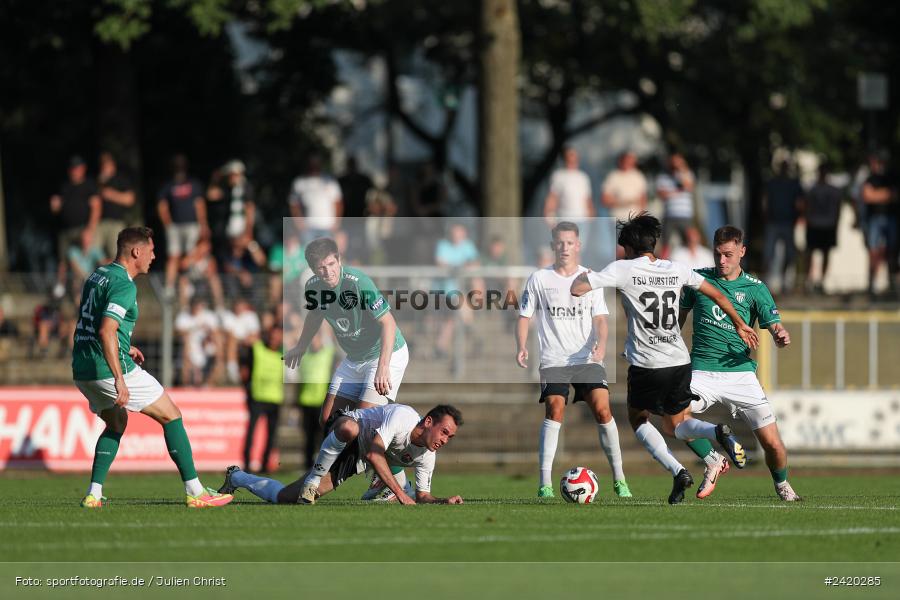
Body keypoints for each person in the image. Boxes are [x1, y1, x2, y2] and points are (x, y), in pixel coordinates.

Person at [571, 213, 759, 504]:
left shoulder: (623, 268)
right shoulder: (676, 269)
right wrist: (739, 323)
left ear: (629, 248)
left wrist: (588, 276)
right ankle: (714, 431)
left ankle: (679, 470)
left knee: (638, 418)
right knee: (675, 424)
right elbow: (718, 296)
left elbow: (577, 288)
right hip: (679, 361)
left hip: (647, 364)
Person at [72, 227, 232, 508]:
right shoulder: (124, 284)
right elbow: (106, 330)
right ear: (136, 252)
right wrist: (120, 379)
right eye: (151, 250)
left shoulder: (98, 274)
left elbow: (94, 322)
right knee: (171, 415)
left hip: (83, 369)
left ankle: (93, 494)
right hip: (109, 369)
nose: (154, 256)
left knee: (117, 423)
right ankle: (196, 491)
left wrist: (124, 346)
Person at [679, 225, 801, 501]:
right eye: (717, 254)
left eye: (728, 255)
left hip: (740, 375)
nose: (722, 261)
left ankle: (783, 486)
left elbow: (776, 327)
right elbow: (678, 319)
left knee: (774, 445)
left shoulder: (756, 289)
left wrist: (780, 335)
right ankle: (712, 459)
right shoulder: (698, 281)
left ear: (742, 252)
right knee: (673, 416)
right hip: (701, 371)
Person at [283, 237, 410, 495]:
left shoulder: (358, 282)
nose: (328, 271)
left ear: (339, 260)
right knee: (328, 418)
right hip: (354, 358)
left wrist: (383, 367)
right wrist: (301, 346)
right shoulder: (313, 287)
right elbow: (314, 316)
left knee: (362, 425)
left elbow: (388, 323)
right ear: (313, 270)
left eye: (332, 264)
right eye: (321, 267)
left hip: (386, 354)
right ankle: (347, 469)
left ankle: (393, 482)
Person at [516, 221, 632, 499]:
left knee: (603, 410)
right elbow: (524, 317)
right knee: (555, 410)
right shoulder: (539, 279)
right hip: (554, 359)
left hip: (586, 358)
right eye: (560, 242)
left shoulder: (590, 278)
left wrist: (602, 345)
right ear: (553, 245)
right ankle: (544, 483)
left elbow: (601, 320)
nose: (565, 247)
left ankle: (620, 478)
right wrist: (521, 346)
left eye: (570, 242)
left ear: (578, 245)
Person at [219, 404, 464, 505]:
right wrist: (400, 493)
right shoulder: (403, 417)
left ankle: (237, 477)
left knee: (288, 498)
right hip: (346, 427)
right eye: (444, 432)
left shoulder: (427, 456)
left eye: (450, 437)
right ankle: (316, 477)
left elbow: (422, 495)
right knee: (350, 429)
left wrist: (442, 501)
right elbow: (375, 454)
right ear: (428, 421)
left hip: (356, 456)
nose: (445, 440)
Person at [50, 155, 101, 298]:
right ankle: (61, 288)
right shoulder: (65, 186)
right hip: (66, 230)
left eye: (77, 168)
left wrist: (90, 229)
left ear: (83, 169)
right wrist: (55, 206)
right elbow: (57, 207)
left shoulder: (89, 186)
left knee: (83, 259)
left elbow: (96, 207)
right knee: (63, 259)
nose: (74, 171)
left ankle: (83, 287)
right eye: (72, 168)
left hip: (83, 229)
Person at [157, 154, 208, 299]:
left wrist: (203, 224)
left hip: (192, 224)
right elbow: (162, 206)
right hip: (175, 227)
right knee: (173, 256)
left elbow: (199, 204)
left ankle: (192, 283)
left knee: (192, 254)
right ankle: (169, 287)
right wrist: (168, 224)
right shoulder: (168, 186)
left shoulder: (194, 184)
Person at [241, 326, 285, 473]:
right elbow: (246, 346)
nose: (275, 339)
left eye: (278, 337)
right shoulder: (258, 348)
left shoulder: (283, 354)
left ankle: (265, 465)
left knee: (271, 435)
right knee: (251, 432)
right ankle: (247, 463)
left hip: (275, 399)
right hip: (257, 397)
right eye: (273, 336)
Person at [762, 160, 804, 293]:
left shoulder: (794, 184)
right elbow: (765, 200)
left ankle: (786, 282)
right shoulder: (772, 183)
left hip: (788, 222)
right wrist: (765, 215)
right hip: (773, 222)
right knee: (769, 253)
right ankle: (766, 283)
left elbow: (800, 202)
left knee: (790, 255)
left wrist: (799, 217)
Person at [861, 155, 897, 298]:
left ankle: (891, 284)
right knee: (874, 252)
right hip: (874, 220)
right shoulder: (870, 179)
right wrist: (886, 195)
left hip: (890, 218)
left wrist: (877, 195)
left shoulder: (891, 177)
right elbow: (867, 196)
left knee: (891, 251)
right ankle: (872, 284)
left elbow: (893, 195)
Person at [804, 164, 843, 294]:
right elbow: (807, 207)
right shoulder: (813, 189)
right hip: (815, 225)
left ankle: (821, 282)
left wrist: (835, 224)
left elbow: (838, 209)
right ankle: (809, 280)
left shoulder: (833, 190)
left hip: (827, 225)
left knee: (825, 254)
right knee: (810, 253)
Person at [288, 155, 343, 244]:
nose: (314, 166)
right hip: (308, 227)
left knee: (326, 254)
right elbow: (293, 204)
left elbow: (338, 202)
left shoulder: (329, 180)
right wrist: (298, 222)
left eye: (316, 164)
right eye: (312, 164)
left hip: (327, 226)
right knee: (308, 254)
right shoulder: (299, 182)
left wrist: (337, 222)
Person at [95, 152, 136, 259]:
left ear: (113, 165)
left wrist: (112, 195)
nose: (105, 167)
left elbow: (130, 199)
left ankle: (114, 275)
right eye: (102, 165)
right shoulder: (98, 180)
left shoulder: (121, 179)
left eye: (107, 164)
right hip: (99, 223)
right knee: (95, 253)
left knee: (115, 254)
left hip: (116, 222)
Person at [655, 153, 696, 257]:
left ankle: (689, 264)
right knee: (665, 243)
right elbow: (661, 194)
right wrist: (677, 191)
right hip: (669, 214)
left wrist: (681, 171)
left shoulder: (687, 173)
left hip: (685, 215)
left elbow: (688, 186)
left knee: (689, 242)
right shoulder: (663, 177)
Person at [544, 147, 594, 227]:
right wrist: (549, 215)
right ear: (565, 158)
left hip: (582, 220)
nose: (572, 159)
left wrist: (591, 218)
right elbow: (552, 197)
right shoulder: (558, 175)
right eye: (570, 156)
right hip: (564, 218)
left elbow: (588, 200)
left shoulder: (583, 177)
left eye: (574, 157)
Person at [601, 151, 648, 223]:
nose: (628, 163)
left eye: (630, 161)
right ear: (620, 161)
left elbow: (643, 198)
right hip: (617, 219)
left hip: (635, 219)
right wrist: (622, 202)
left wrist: (641, 216)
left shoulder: (638, 176)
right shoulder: (613, 176)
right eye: (625, 161)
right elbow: (605, 200)